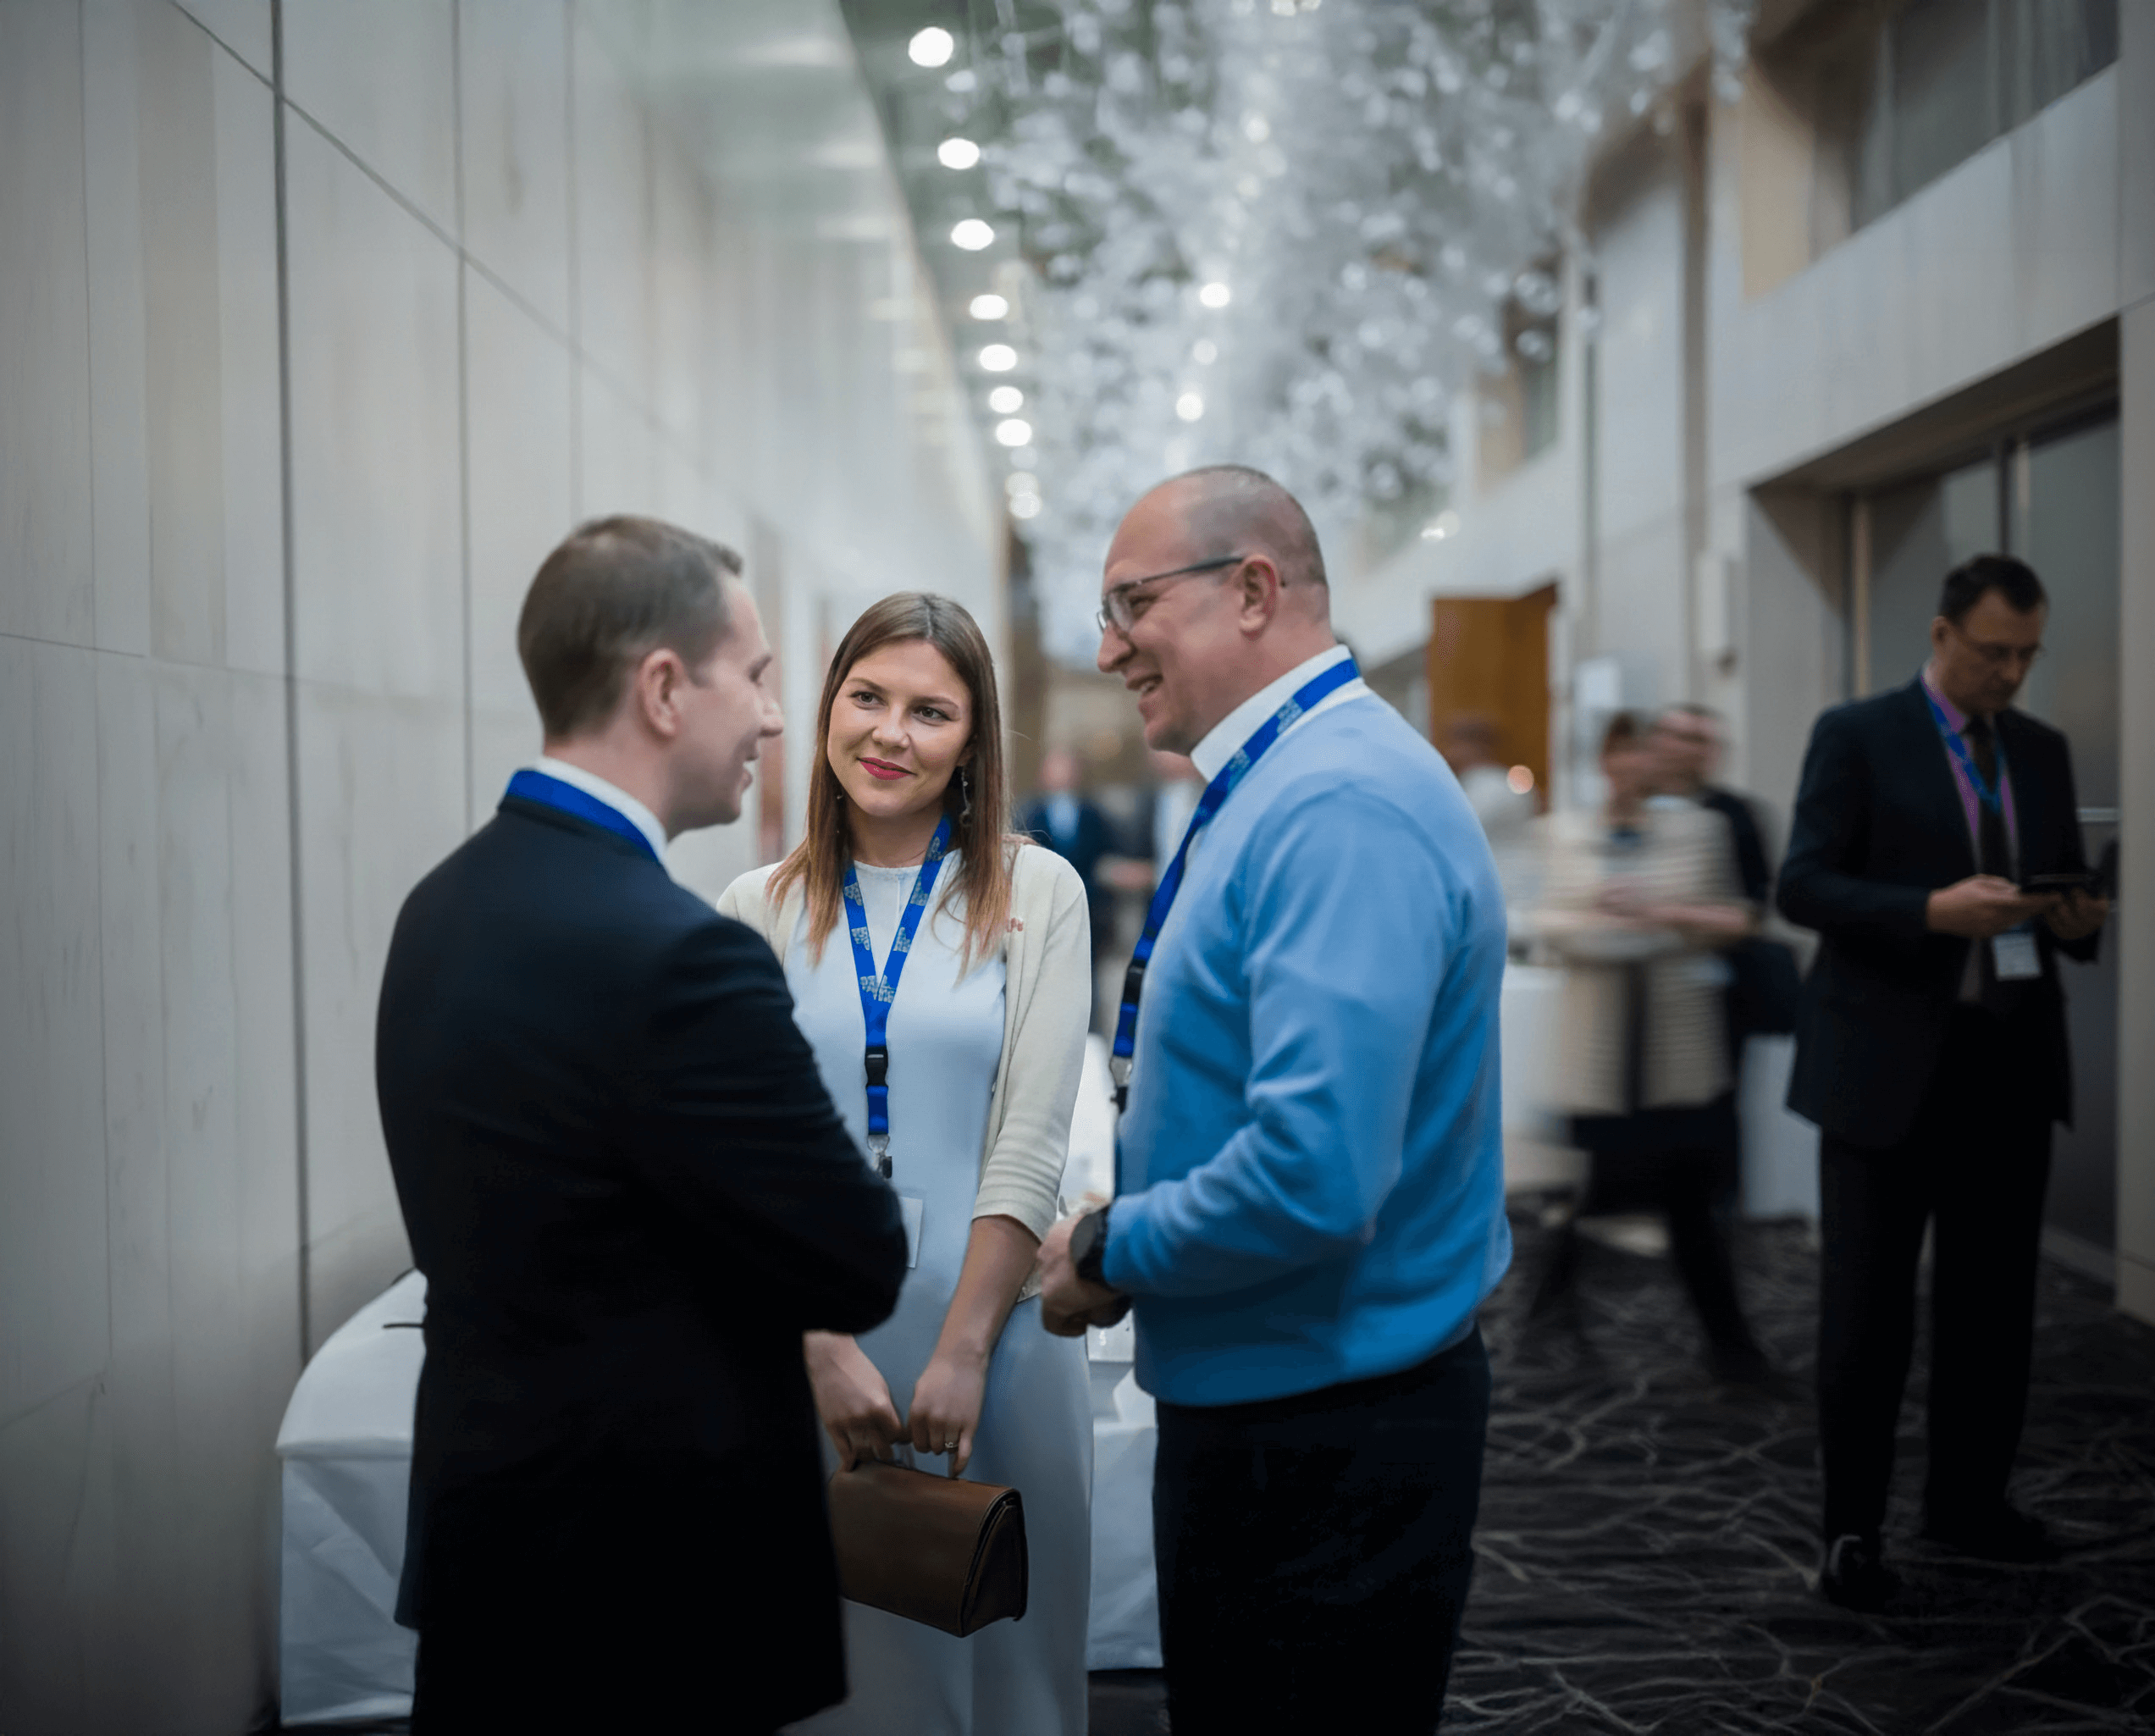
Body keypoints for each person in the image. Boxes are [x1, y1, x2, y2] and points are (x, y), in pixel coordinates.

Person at [375, 517, 909, 1733]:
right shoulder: (680, 956)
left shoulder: (439, 905)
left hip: (487, 1548)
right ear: (665, 688)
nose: (777, 718)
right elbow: (855, 1255)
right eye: (759, 675)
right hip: (647, 1590)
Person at [1034, 464, 1511, 1733]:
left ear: (1252, 590)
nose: (1104, 646)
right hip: (1286, 1400)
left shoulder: (1336, 802)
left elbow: (1312, 1172)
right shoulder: (1285, 779)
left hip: (1322, 1432)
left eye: (1131, 601)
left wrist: (1108, 1245)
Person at [719, 594, 1095, 1736]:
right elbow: (738, 1163)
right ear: (825, 704)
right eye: (867, 696)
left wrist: (968, 1346)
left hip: (998, 1337)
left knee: (1010, 1665)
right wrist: (822, 1350)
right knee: (839, 1671)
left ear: (974, 740)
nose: (890, 733)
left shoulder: (1037, 893)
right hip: (812, 1342)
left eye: (931, 710)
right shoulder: (755, 910)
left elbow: (1032, 1134)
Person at [1779, 554, 2108, 1612]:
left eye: (2025, 655)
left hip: (2005, 1067)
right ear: (1940, 635)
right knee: (1867, 1314)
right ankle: (1851, 1531)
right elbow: (1803, 882)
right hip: (1882, 1069)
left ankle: (1970, 1503)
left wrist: (2071, 919)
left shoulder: (2042, 753)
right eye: (1991, 652)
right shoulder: (1857, 734)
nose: (2010, 674)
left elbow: (2056, 881)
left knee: (1993, 1311)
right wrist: (1928, 910)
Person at [1527, 712, 1770, 1385]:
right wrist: (1610, 920)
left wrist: (1660, 916)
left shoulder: (1701, 831)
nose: (1634, 766)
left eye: (1643, 752)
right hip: (1602, 1052)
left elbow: (1737, 918)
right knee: (1602, 1196)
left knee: (1685, 1200)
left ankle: (1730, 1349)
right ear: (1603, 762)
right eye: (1620, 754)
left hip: (1674, 1046)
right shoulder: (1566, 832)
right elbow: (1550, 922)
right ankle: (1549, 1318)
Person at [1018, 746, 1119, 963]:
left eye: (1066, 768)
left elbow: (1105, 856)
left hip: (1088, 909)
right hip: (1043, 909)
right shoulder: (1027, 813)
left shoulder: (1094, 814)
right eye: (1054, 768)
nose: (1061, 774)